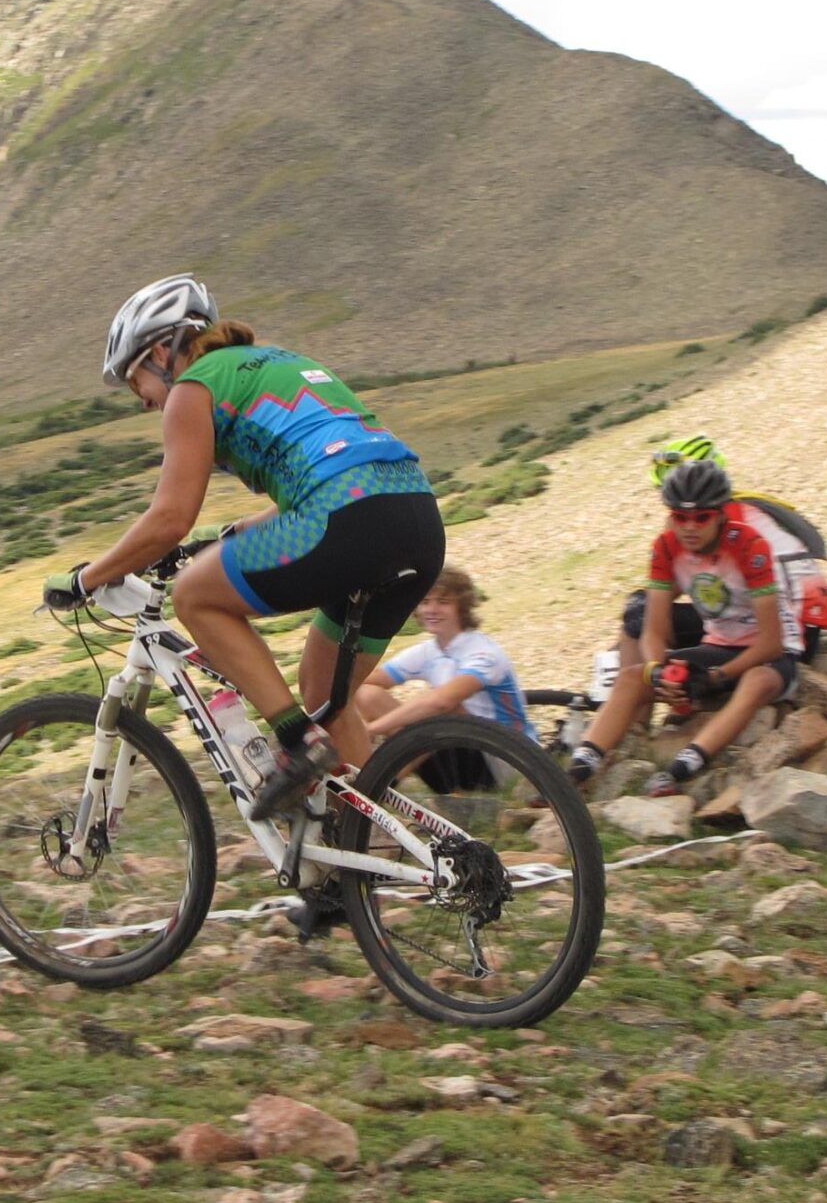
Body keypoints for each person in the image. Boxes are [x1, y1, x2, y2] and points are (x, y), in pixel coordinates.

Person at [53, 275, 444, 826]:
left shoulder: (192, 389)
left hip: (346, 514)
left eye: (134, 378)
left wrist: (86, 579)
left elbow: (168, 517)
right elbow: (335, 465)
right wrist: (232, 537)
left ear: (163, 353)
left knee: (195, 598)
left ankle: (296, 744)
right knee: (325, 696)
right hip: (416, 514)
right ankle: (385, 851)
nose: (141, 400)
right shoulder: (278, 360)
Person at [564, 459, 797, 797]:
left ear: (719, 514)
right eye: (680, 517)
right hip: (718, 644)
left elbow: (773, 643)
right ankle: (574, 774)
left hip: (767, 652)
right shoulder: (666, 547)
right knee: (632, 676)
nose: (690, 527)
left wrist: (717, 676)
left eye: (701, 517)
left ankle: (679, 770)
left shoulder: (750, 547)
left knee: (757, 681)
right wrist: (659, 672)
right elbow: (654, 630)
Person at [353, 565, 534, 793]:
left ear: (463, 607)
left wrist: (370, 730)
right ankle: (376, 785)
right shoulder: (429, 651)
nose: (432, 609)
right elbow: (365, 684)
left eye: (443, 602)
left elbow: (442, 703)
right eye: (425, 601)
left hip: (507, 761)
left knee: (443, 708)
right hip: (457, 753)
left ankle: (377, 784)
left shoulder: (484, 652)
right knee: (367, 694)